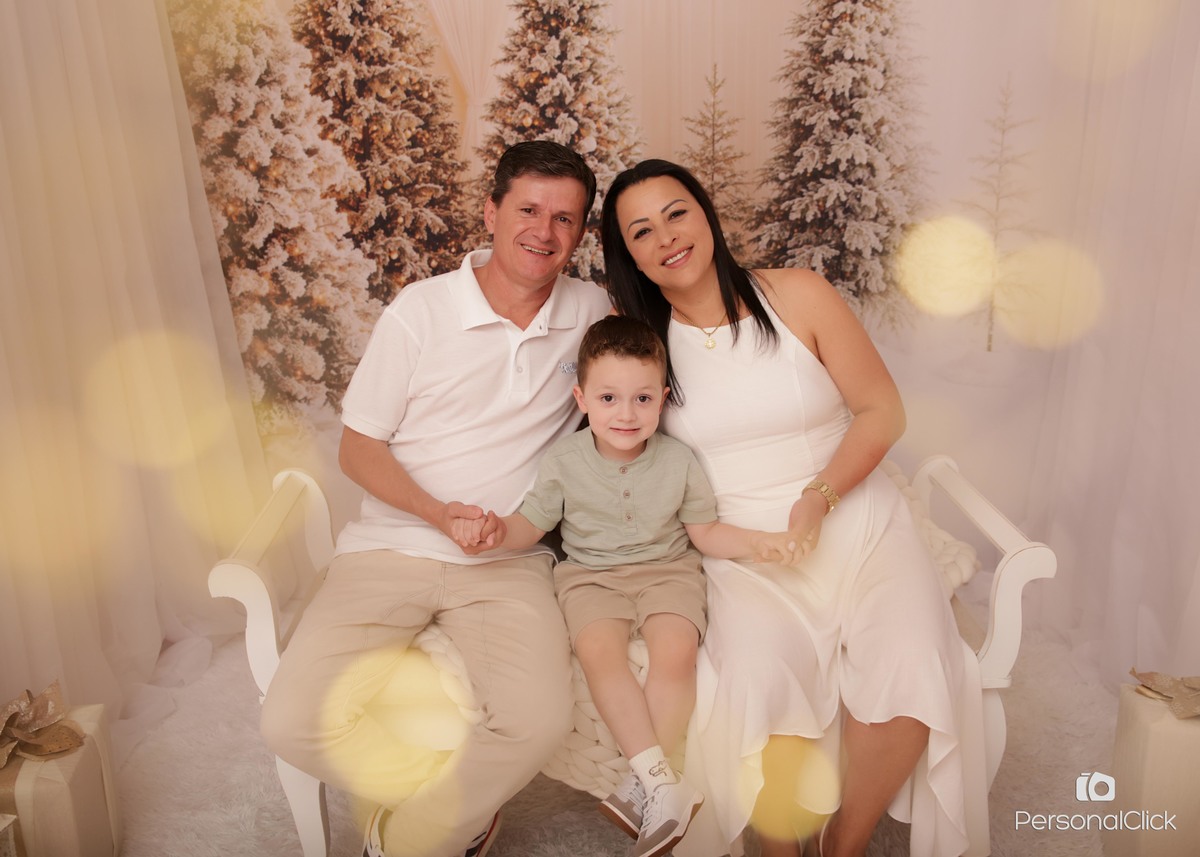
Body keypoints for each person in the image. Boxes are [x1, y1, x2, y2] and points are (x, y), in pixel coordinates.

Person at [599, 159, 990, 857]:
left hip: (855, 519)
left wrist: (819, 498)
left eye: (677, 213)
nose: (667, 237)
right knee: (757, 679)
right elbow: (620, 454)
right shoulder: (635, 340)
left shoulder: (798, 293)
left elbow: (882, 409)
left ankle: (844, 842)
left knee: (914, 660)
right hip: (744, 550)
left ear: (705, 213)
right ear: (629, 254)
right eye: (642, 230)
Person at [259, 140, 612, 857]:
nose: (544, 232)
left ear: (581, 233)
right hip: (391, 546)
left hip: (509, 559)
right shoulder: (420, 311)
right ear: (490, 211)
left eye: (565, 219)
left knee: (536, 722)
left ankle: (411, 833)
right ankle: (454, 808)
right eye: (528, 210)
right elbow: (357, 448)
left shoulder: (590, 311)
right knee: (292, 721)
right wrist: (436, 513)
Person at [455, 315, 801, 857]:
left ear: (663, 399)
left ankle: (646, 784)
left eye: (642, 399)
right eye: (609, 398)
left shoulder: (679, 461)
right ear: (581, 399)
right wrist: (499, 532)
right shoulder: (565, 460)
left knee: (676, 650)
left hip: (668, 570)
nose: (626, 414)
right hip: (590, 577)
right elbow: (533, 522)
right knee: (599, 652)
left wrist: (761, 541)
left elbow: (706, 533)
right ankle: (662, 780)